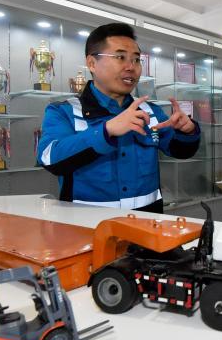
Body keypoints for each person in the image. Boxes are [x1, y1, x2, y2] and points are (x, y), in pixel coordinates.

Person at [37, 23, 200, 212]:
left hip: (146, 224)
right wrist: (106, 131)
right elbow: (49, 158)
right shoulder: (64, 111)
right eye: (120, 57)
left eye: (136, 60)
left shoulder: (150, 111)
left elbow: (180, 151)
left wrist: (187, 131)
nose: (131, 67)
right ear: (92, 63)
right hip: (88, 225)